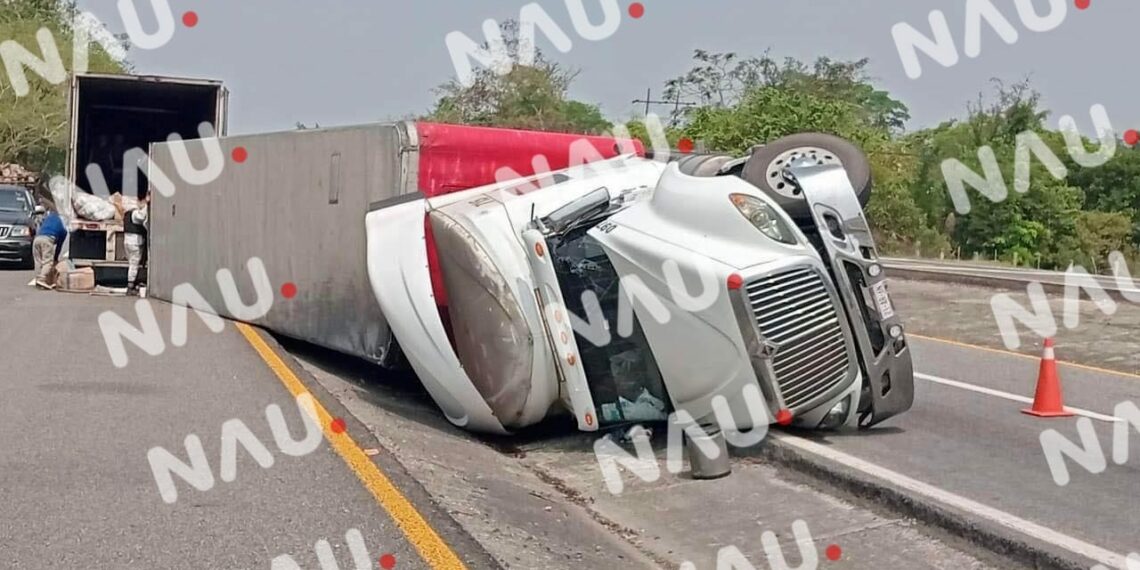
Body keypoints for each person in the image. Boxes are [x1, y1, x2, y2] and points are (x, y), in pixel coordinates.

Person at [33, 205, 67, 289]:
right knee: (48, 262)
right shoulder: (64, 227)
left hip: (36, 239)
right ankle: (41, 279)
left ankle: (43, 279)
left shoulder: (49, 218)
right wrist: (55, 258)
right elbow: (59, 245)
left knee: (42, 262)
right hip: (47, 240)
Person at [123, 194, 149, 295]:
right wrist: (147, 203)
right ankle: (130, 287)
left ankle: (133, 284)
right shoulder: (134, 214)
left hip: (128, 241)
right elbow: (142, 216)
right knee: (134, 263)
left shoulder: (126, 215)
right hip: (135, 242)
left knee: (132, 263)